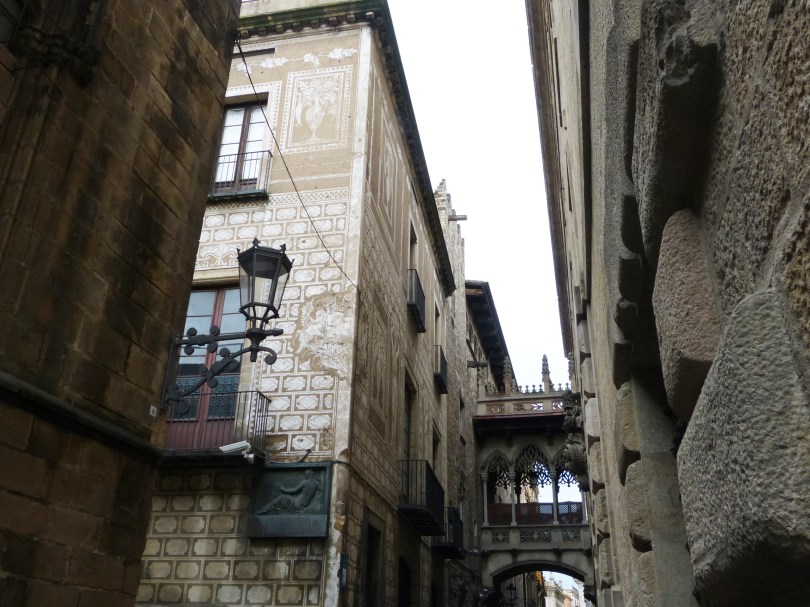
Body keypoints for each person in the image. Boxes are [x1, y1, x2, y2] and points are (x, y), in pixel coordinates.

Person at [257, 469, 322, 514]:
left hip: (296, 503)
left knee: (281, 497)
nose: (304, 476)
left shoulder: (304, 482)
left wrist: (282, 488)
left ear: (309, 474)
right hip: (304, 506)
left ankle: (264, 509)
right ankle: (270, 509)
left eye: (305, 474)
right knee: (282, 502)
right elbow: (323, 491)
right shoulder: (317, 483)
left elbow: (294, 490)